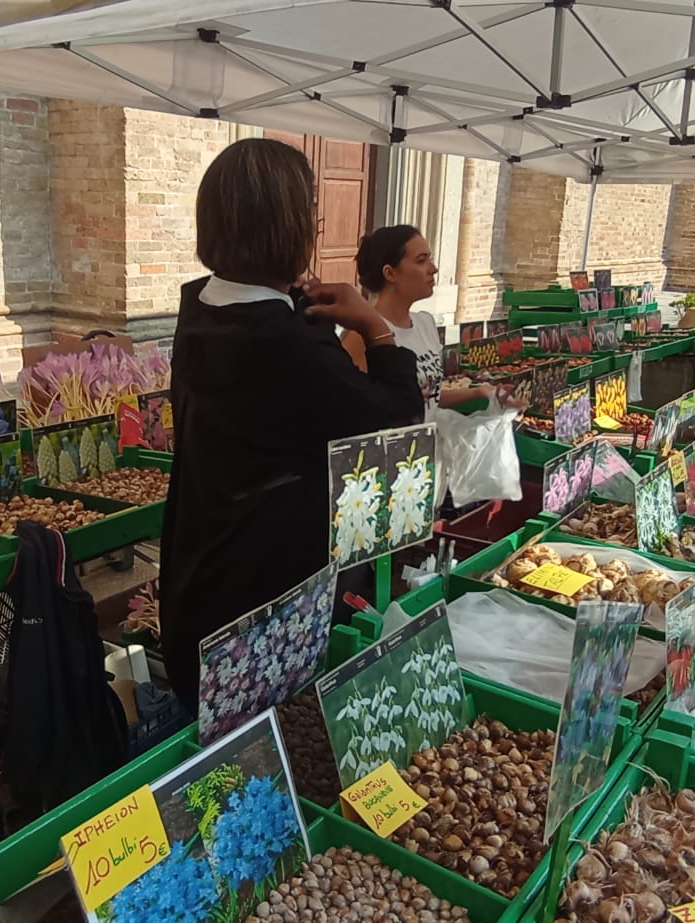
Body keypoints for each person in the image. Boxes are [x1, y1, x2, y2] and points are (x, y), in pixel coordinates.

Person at [159, 139, 426, 709]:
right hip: (264, 586)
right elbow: (396, 420)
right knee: (263, 729)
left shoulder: (201, 306)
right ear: (289, 227)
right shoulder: (285, 341)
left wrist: (305, 307)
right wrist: (375, 328)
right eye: (311, 213)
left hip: (203, 566)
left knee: (217, 722)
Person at [340, 225, 506, 411]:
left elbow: (431, 397)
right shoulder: (361, 334)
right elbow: (355, 406)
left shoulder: (425, 323)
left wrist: (480, 392)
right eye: (421, 260)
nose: (433, 269)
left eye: (430, 259)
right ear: (390, 273)